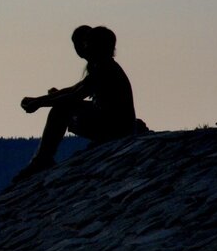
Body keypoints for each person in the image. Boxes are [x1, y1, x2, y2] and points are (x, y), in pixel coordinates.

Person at [16, 26, 138, 181]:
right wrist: (40, 100)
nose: (84, 48)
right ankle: (42, 159)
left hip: (115, 130)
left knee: (62, 108)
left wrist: (39, 103)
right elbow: (75, 90)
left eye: (88, 44)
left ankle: (42, 159)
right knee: (63, 105)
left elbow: (75, 95)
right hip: (115, 126)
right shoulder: (101, 66)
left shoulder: (104, 69)